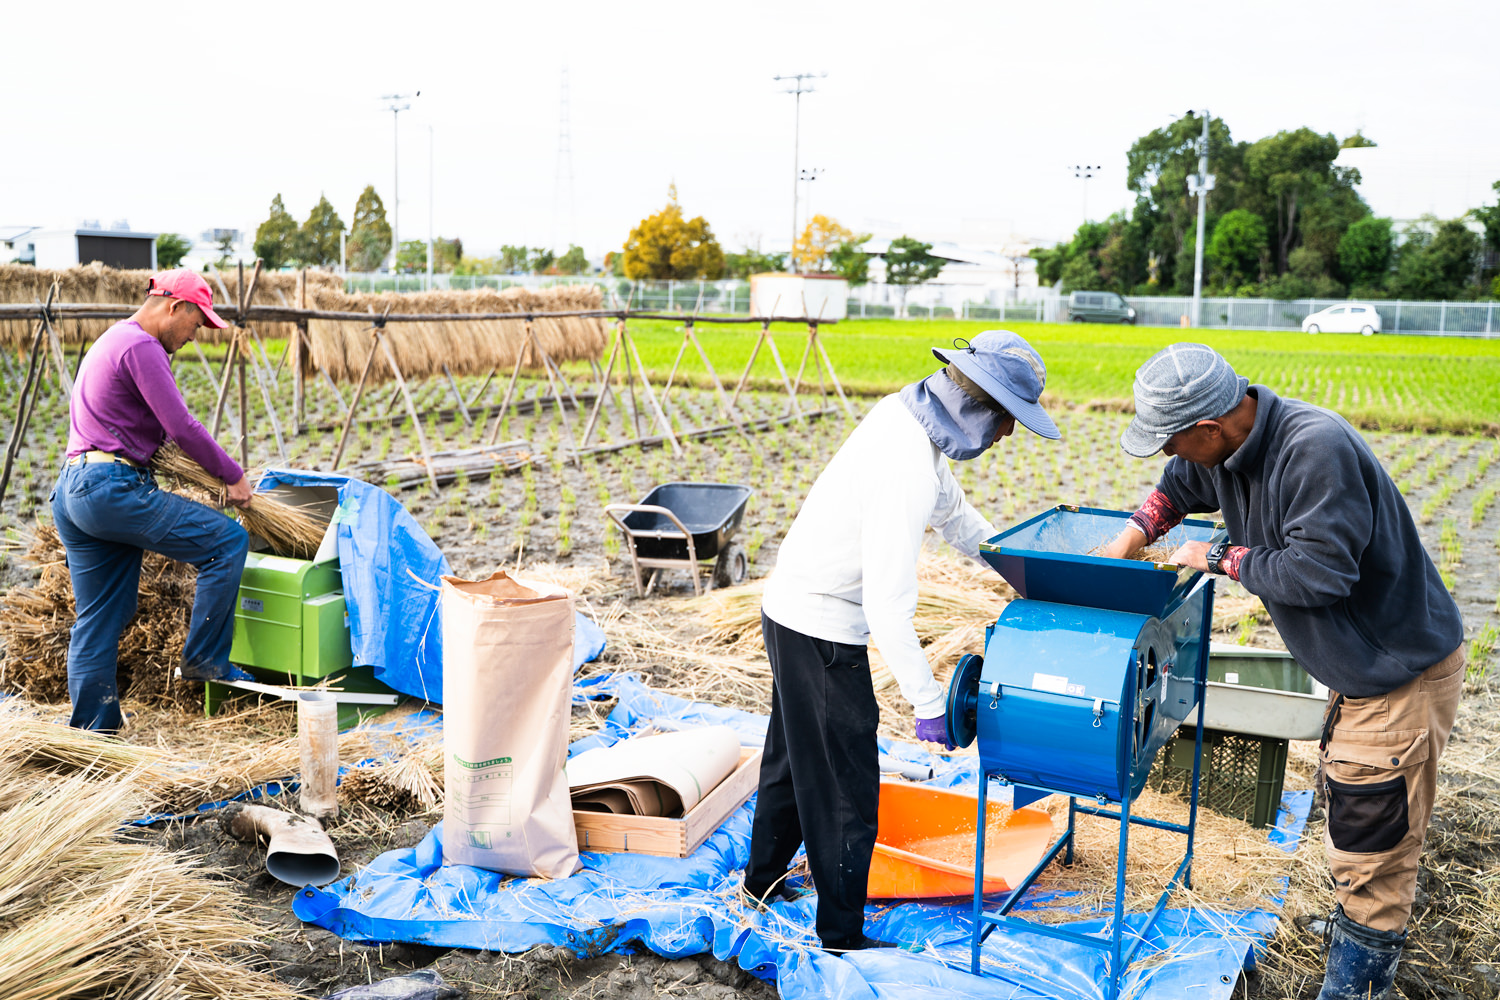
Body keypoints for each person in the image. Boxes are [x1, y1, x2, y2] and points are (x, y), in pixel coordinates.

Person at [1099, 343, 1464, 1000]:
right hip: (1361, 674)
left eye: (1170, 441)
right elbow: (1180, 486)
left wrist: (1216, 554)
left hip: (1396, 680)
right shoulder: (1230, 449)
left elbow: (1319, 574)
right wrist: (1133, 535)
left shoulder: (1311, 450)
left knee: (1370, 852)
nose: (1166, 455)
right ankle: (1360, 942)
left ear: (1208, 427)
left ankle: (1354, 985)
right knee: (1360, 824)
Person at [744, 330, 1059, 952]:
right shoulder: (905, 464)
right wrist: (928, 701)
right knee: (845, 789)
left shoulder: (909, 419)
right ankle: (841, 935)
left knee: (791, 757)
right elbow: (886, 605)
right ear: (981, 409)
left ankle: (761, 882)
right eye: (1009, 420)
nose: (1009, 436)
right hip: (822, 627)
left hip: (787, 610)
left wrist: (1027, 567)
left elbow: (959, 518)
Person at [52, 269, 256, 733]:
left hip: (73, 489)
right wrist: (232, 476)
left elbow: (151, 430)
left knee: (103, 615)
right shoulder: (143, 346)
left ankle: (92, 731)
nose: (194, 336)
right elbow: (183, 427)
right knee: (225, 543)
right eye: (196, 323)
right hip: (109, 490)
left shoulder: (112, 341)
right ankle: (206, 660)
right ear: (173, 307)